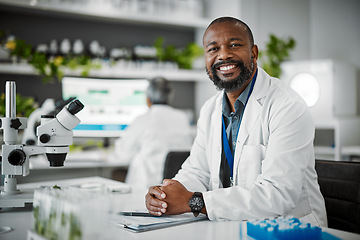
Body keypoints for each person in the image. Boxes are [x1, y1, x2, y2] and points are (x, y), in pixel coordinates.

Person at [145, 17, 327, 227]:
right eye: (213, 49)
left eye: (234, 45)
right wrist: (166, 195)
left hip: (290, 229)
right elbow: (197, 171)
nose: (223, 55)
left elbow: (277, 194)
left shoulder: (287, 106)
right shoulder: (210, 110)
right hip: (233, 225)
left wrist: (193, 202)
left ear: (254, 53)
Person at [113, 77, 193, 189]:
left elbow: (123, 155)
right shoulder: (182, 118)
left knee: (116, 174)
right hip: (172, 188)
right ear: (170, 96)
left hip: (145, 188)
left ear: (148, 99)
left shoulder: (143, 120)